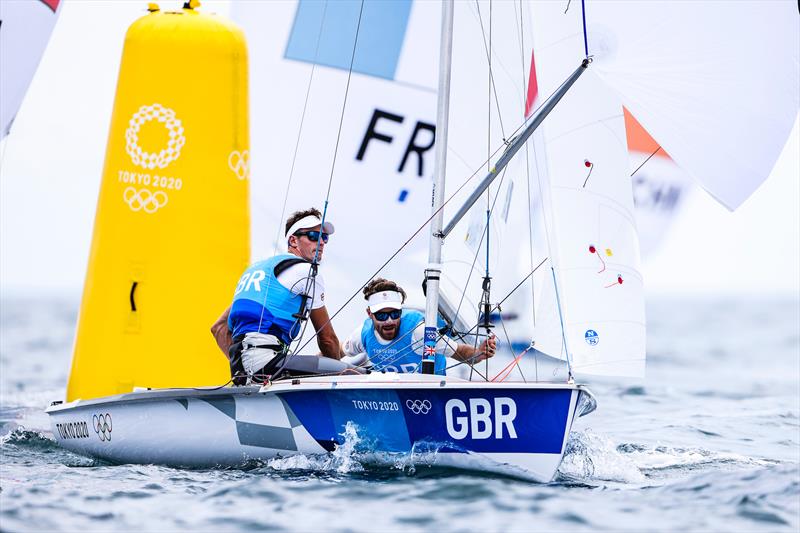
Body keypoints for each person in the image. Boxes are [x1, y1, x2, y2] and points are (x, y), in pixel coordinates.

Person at [211, 208, 344, 384]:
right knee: (349, 371)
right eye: (313, 236)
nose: (321, 243)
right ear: (293, 240)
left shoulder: (257, 270)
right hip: (266, 362)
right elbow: (327, 339)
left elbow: (218, 328)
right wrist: (339, 374)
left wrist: (245, 372)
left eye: (324, 238)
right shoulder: (306, 271)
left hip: (240, 370)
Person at [340, 278, 496, 375]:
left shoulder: (420, 332)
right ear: (369, 313)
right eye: (381, 315)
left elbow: (459, 352)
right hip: (390, 398)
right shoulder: (363, 334)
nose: (389, 321)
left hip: (429, 398)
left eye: (394, 314)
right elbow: (334, 350)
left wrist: (479, 353)